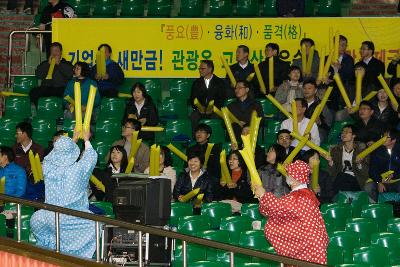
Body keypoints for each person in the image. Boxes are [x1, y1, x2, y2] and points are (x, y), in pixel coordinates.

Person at [30, 129, 98, 259]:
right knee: (95, 226)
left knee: (36, 219)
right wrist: (86, 140)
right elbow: (91, 158)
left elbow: (51, 157)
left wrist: (71, 142)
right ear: (73, 152)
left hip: (45, 217)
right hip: (69, 218)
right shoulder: (78, 169)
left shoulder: (48, 168)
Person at [254, 160, 328, 264]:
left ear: (294, 179)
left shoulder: (299, 196)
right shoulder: (306, 193)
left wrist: (263, 195)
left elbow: (276, 207)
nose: (287, 176)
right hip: (312, 244)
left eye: (289, 174)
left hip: (309, 246)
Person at [327, 125, 372, 200]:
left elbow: (365, 173)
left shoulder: (361, 150)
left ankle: (332, 201)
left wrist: (359, 164)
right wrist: (331, 163)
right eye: (342, 132)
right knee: (341, 177)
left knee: (342, 177)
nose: (343, 134)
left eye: (347, 132)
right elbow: (331, 173)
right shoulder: (336, 150)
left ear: (354, 135)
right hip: (340, 181)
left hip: (356, 181)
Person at [30, 42, 73, 106]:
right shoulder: (44, 63)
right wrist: (48, 64)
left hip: (61, 88)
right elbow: (38, 75)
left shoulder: (66, 64)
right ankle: (41, 110)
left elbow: (70, 75)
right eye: (52, 51)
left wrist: (59, 64)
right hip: (46, 88)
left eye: (56, 51)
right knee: (34, 92)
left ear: (61, 52)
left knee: (67, 95)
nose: (54, 53)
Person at [190, 60, 226, 133]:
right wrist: (198, 107)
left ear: (210, 69)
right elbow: (192, 99)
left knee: (216, 118)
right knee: (194, 117)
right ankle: (196, 138)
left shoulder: (220, 82)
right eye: (199, 69)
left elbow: (222, 99)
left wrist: (212, 108)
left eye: (202, 69)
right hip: (200, 110)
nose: (200, 70)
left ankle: (214, 139)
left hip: (214, 110)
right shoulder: (196, 83)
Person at [12, 122, 45, 201]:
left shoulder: (38, 149)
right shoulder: (14, 149)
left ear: (25, 133)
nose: (15, 135)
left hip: (33, 186)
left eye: (17, 133)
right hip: (17, 184)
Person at [326, 35, 355, 111]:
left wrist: (340, 68)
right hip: (328, 92)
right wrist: (326, 78)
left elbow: (350, 76)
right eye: (342, 45)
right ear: (334, 45)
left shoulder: (349, 59)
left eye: (345, 45)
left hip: (343, 92)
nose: (344, 47)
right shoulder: (326, 58)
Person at [369, 128, 400, 198]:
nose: (383, 139)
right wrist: (379, 182)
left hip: (396, 180)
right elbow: (372, 170)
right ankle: (379, 206)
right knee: (369, 187)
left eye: (386, 137)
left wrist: (394, 175)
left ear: (394, 140)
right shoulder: (377, 151)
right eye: (382, 136)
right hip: (380, 180)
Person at [303, 79, 333, 143]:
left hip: (317, 129)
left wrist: (320, 122)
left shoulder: (322, 105)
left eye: (309, 88)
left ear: (315, 90)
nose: (306, 90)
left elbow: (329, 124)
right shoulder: (299, 103)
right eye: (304, 88)